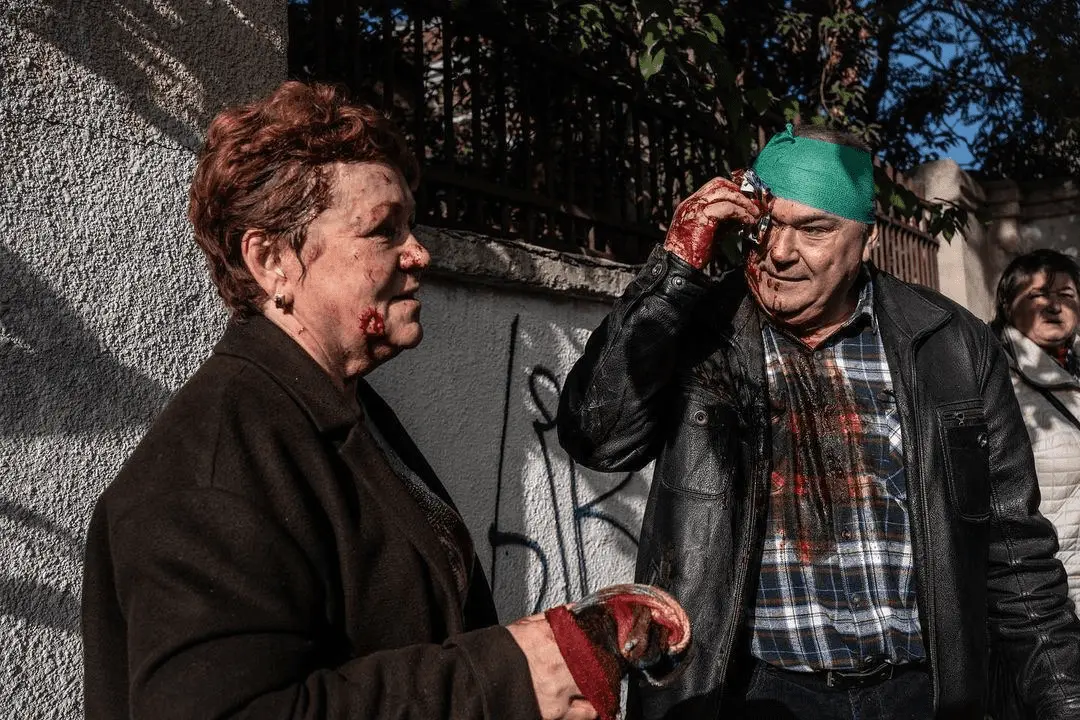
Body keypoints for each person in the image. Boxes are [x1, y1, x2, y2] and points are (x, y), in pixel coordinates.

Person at [81, 81, 608, 720]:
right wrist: (508, 677)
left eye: (410, 225)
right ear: (272, 261)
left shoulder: (337, 406)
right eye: (384, 230)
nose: (419, 253)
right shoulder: (214, 472)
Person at [557, 123, 1080, 719]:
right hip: (751, 696)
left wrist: (1063, 699)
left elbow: (1015, 551)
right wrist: (674, 269)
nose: (780, 252)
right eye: (765, 225)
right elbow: (597, 437)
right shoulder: (700, 329)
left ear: (868, 241)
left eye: (814, 229)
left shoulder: (949, 343)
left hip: (921, 694)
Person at [993, 249, 1080, 607]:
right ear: (1008, 305)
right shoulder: (994, 381)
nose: (1054, 306)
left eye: (1066, 294)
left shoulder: (1073, 366)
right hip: (1050, 593)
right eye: (1038, 295)